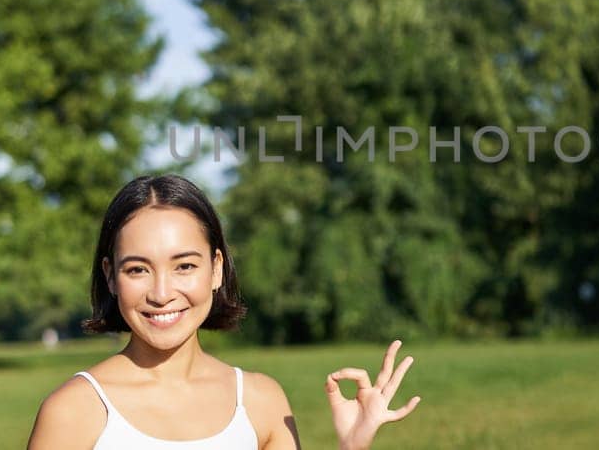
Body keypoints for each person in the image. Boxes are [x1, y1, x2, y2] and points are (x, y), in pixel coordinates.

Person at [27, 174, 420, 449]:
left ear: (216, 269)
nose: (162, 293)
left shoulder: (261, 401)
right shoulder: (74, 410)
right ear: (111, 277)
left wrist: (353, 447)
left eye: (184, 266)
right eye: (138, 269)